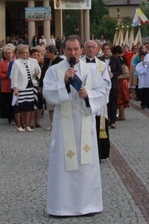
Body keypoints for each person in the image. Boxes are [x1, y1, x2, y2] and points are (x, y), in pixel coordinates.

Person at [44, 35, 109, 217]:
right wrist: (63, 82)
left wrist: (87, 94)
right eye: (69, 49)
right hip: (63, 123)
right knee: (63, 164)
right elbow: (48, 93)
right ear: (63, 50)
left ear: (81, 50)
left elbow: (102, 92)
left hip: (84, 123)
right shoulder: (55, 70)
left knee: (85, 164)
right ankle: (61, 207)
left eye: (76, 49)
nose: (72, 53)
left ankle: (88, 205)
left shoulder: (92, 70)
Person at [83, 40, 111, 159]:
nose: (90, 49)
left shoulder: (102, 65)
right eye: (88, 47)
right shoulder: (79, 63)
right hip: (83, 99)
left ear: (97, 49)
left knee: (99, 126)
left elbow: (106, 82)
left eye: (93, 47)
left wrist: (96, 90)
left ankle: (99, 154)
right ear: (83, 49)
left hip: (97, 99)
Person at [10, 44, 40, 132]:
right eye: (25, 53)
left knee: (29, 106)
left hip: (29, 85)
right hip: (20, 87)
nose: (27, 54)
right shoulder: (16, 63)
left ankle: (27, 124)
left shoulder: (30, 62)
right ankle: (19, 125)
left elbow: (34, 72)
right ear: (20, 53)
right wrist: (15, 88)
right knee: (19, 107)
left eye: (28, 52)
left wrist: (36, 73)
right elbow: (14, 76)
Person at [41, 44, 62, 130]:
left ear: (52, 52)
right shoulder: (46, 61)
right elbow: (43, 73)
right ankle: (51, 123)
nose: (46, 54)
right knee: (49, 106)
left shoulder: (60, 61)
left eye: (48, 52)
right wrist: (40, 84)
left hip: (57, 85)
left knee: (57, 105)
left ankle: (58, 123)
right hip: (47, 85)